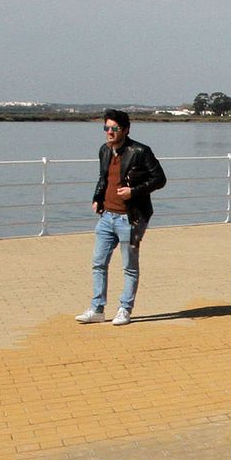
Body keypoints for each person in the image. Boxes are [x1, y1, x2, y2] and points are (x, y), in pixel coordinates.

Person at [76, 109, 166, 327]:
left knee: (129, 267)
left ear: (125, 130)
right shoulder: (104, 150)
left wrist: (133, 191)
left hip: (131, 218)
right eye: (106, 128)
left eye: (114, 129)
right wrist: (97, 198)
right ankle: (97, 309)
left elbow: (160, 179)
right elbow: (103, 178)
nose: (109, 132)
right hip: (107, 217)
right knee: (98, 263)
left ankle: (125, 309)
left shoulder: (140, 151)